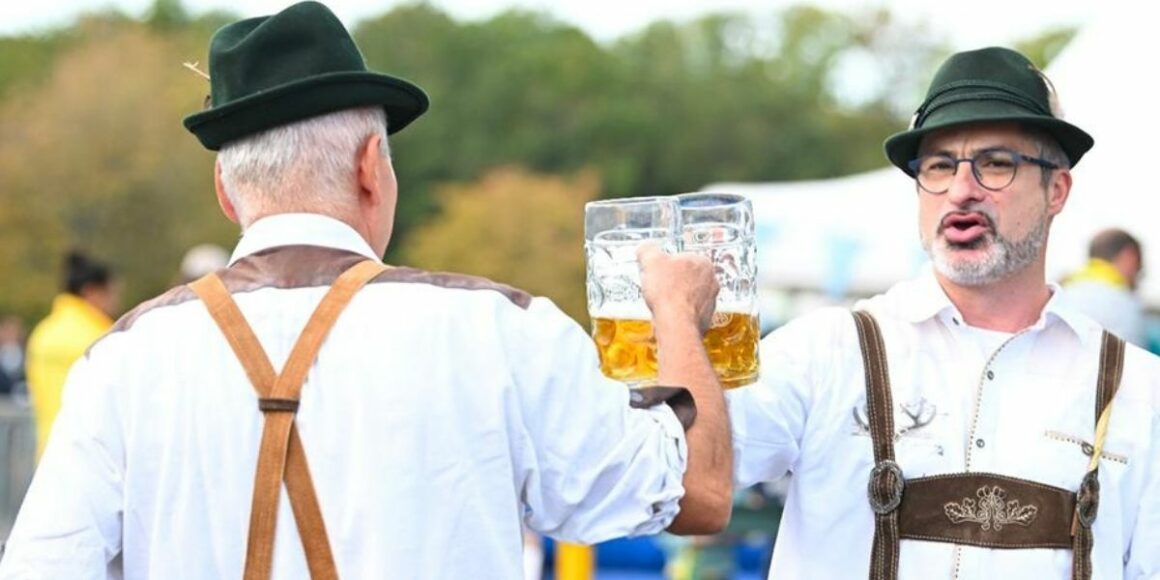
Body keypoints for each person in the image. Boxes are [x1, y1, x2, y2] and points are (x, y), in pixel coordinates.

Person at [0, 2, 732, 578]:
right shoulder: (500, 330)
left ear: (225, 191)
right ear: (371, 165)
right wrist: (673, 310)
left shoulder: (122, 360)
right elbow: (697, 493)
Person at [727, 47, 1160, 578]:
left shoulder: (1139, 391)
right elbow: (672, 471)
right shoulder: (825, 352)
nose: (961, 190)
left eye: (996, 164)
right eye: (938, 166)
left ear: (1057, 189)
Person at [23, 251, 119, 460]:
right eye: (111, 293)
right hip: (92, 457)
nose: (115, 301)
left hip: (47, 451)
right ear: (92, 291)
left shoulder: (42, 333)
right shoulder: (100, 336)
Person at [1062, 228, 1146, 346]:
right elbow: (1134, 361)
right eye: (1139, 266)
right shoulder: (1124, 305)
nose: (1138, 274)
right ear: (1129, 256)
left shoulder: (1062, 294)